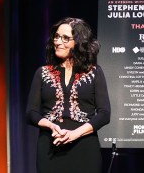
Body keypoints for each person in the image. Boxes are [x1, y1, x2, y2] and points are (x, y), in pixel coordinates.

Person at [26, 17, 111, 173]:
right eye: (57, 37)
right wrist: (50, 125)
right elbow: (31, 113)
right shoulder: (42, 73)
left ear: (78, 42)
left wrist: (74, 134)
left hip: (85, 148)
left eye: (65, 38)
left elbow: (104, 114)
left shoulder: (94, 72)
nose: (58, 42)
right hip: (50, 147)